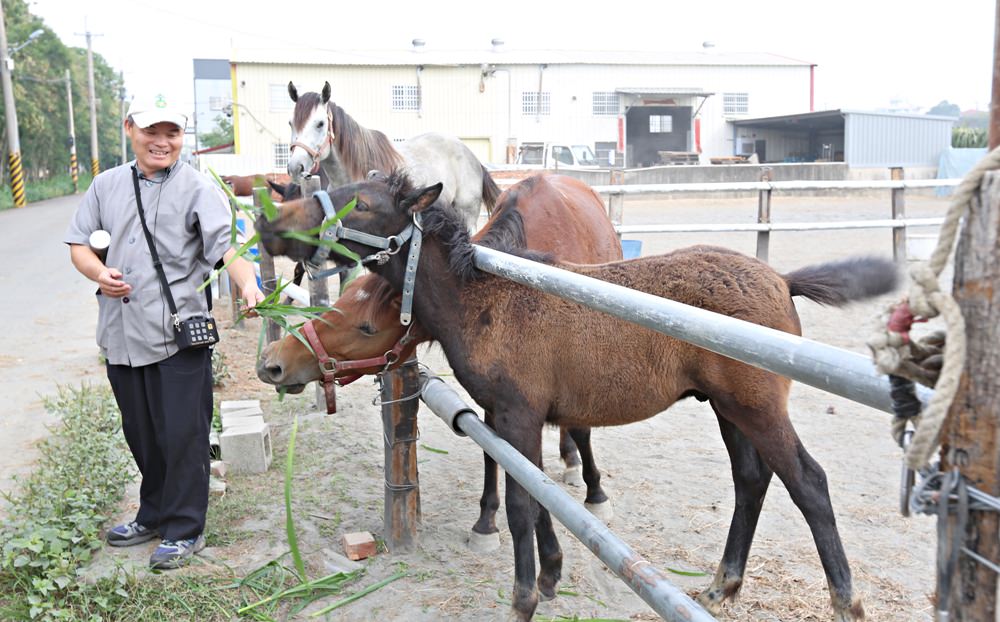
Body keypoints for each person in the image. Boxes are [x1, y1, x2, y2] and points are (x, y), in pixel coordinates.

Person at [64, 93, 265, 570]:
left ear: (182, 138)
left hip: (177, 336)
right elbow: (79, 243)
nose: (162, 141)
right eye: (152, 130)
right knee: (142, 433)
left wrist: (250, 287)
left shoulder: (197, 188)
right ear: (130, 128)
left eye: (172, 132)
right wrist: (98, 274)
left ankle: (184, 527)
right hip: (120, 334)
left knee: (183, 435)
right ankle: (152, 513)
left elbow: (227, 248)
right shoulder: (105, 185)